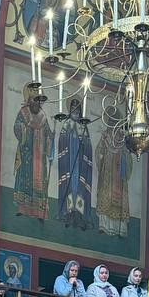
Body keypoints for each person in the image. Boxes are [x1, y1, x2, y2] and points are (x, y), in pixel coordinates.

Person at [13, 86, 54, 221]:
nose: (36, 103)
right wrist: (24, 128)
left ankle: (39, 212)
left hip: (39, 158)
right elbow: (17, 127)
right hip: (27, 155)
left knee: (40, 183)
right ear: (29, 100)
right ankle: (22, 208)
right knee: (25, 180)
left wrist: (51, 137)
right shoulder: (23, 112)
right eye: (34, 100)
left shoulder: (43, 116)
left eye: (38, 101)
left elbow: (48, 134)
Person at [57, 98, 93, 230]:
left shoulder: (83, 127)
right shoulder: (66, 124)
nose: (75, 111)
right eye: (73, 108)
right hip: (69, 162)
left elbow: (88, 147)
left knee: (79, 188)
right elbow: (61, 141)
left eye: (77, 109)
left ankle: (78, 215)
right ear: (70, 109)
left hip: (80, 165)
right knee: (69, 187)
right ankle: (69, 214)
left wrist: (83, 143)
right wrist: (68, 138)